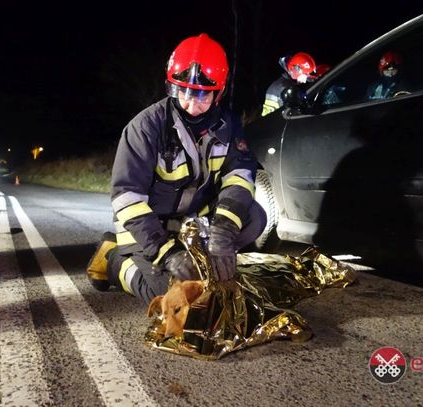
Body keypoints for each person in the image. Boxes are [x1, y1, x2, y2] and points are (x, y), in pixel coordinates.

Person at [86, 33, 267, 305]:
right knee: (170, 295)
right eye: (184, 91)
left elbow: (240, 176)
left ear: (220, 92)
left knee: (255, 216)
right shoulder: (145, 128)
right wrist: (166, 253)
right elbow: (127, 198)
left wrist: (223, 232)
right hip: (149, 226)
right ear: (172, 86)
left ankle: (208, 261)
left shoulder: (229, 126)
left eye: (203, 95)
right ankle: (113, 261)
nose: (192, 104)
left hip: (192, 221)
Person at [261, 52, 317, 116]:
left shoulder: (287, 84)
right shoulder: (284, 87)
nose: (305, 81)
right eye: (305, 75)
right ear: (296, 71)